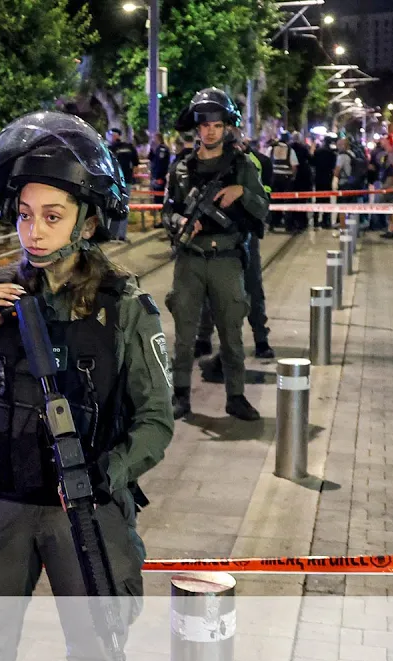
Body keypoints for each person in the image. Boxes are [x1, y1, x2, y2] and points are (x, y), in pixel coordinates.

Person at [0, 110, 173, 661]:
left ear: (88, 221)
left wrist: (106, 473)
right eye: (24, 214)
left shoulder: (124, 308)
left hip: (84, 516)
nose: (33, 232)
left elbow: (156, 422)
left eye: (52, 216)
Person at [162, 88, 267, 421]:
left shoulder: (241, 166)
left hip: (226, 258)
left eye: (217, 125)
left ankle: (235, 396)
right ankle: (180, 395)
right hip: (190, 258)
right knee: (184, 335)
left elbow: (263, 207)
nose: (210, 131)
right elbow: (167, 211)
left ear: (226, 127)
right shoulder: (181, 168)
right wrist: (180, 222)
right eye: (205, 125)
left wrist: (242, 191)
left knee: (231, 333)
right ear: (197, 128)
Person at [195, 132, 273, 364]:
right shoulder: (203, 162)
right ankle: (203, 337)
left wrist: (242, 193)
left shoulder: (254, 162)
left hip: (244, 234)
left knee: (252, 286)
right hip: (214, 235)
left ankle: (260, 338)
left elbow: (263, 201)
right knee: (208, 287)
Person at [107, 129, 139, 242]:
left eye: (112, 135)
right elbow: (136, 165)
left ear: (116, 136)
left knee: (114, 206)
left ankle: (113, 234)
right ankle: (120, 235)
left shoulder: (111, 148)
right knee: (122, 206)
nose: (111, 137)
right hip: (124, 181)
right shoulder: (129, 147)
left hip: (117, 182)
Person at [268, 133, 298, 233]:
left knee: (274, 201)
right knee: (288, 202)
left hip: (274, 178)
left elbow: (266, 162)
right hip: (286, 179)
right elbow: (294, 166)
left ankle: (273, 223)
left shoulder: (271, 149)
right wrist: (293, 177)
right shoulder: (290, 150)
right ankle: (288, 225)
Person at [312, 138, 338, 229]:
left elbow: (313, 163)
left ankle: (315, 220)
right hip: (327, 178)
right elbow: (333, 166)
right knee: (326, 200)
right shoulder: (332, 153)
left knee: (318, 199)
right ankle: (325, 221)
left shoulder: (317, 152)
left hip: (318, 178)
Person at [148, 133, 172, 229]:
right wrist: (151, 149)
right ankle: (162, 220)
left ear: (158, 138)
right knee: (157, 200)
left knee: (160, 201)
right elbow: (151, 158)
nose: (153, 140)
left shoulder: (163, 149)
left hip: (159, 178)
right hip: (156, 177)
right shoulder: (157, 149)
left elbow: (161, 165)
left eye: (154, 138)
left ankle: (164, 221)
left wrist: (159, 177)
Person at [291, 134, 313, 231]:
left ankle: (293, 221)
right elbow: (311, 160)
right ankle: (303, 221)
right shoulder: (304, 148)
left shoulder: (290, 148)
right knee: (302, 200)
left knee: (293, 200)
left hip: (293, 178)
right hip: (303, 178)